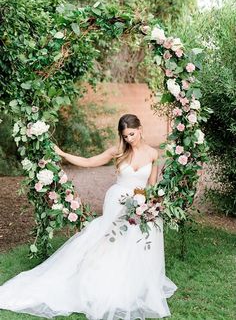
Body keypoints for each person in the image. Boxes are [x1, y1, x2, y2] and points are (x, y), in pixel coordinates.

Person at [0, 113, 177, 319]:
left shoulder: (153, 154)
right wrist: (64, 154)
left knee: (135, 241)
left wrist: (150, 205)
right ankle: (96, 279)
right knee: (110, 239)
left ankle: (130, 281)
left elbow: (152, 185)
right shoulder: (118, 151)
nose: (129, 139)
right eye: (125, 136)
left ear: (140, 129)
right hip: (117, 201)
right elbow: (90, 162)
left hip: (140, 203)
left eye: (131, 134)